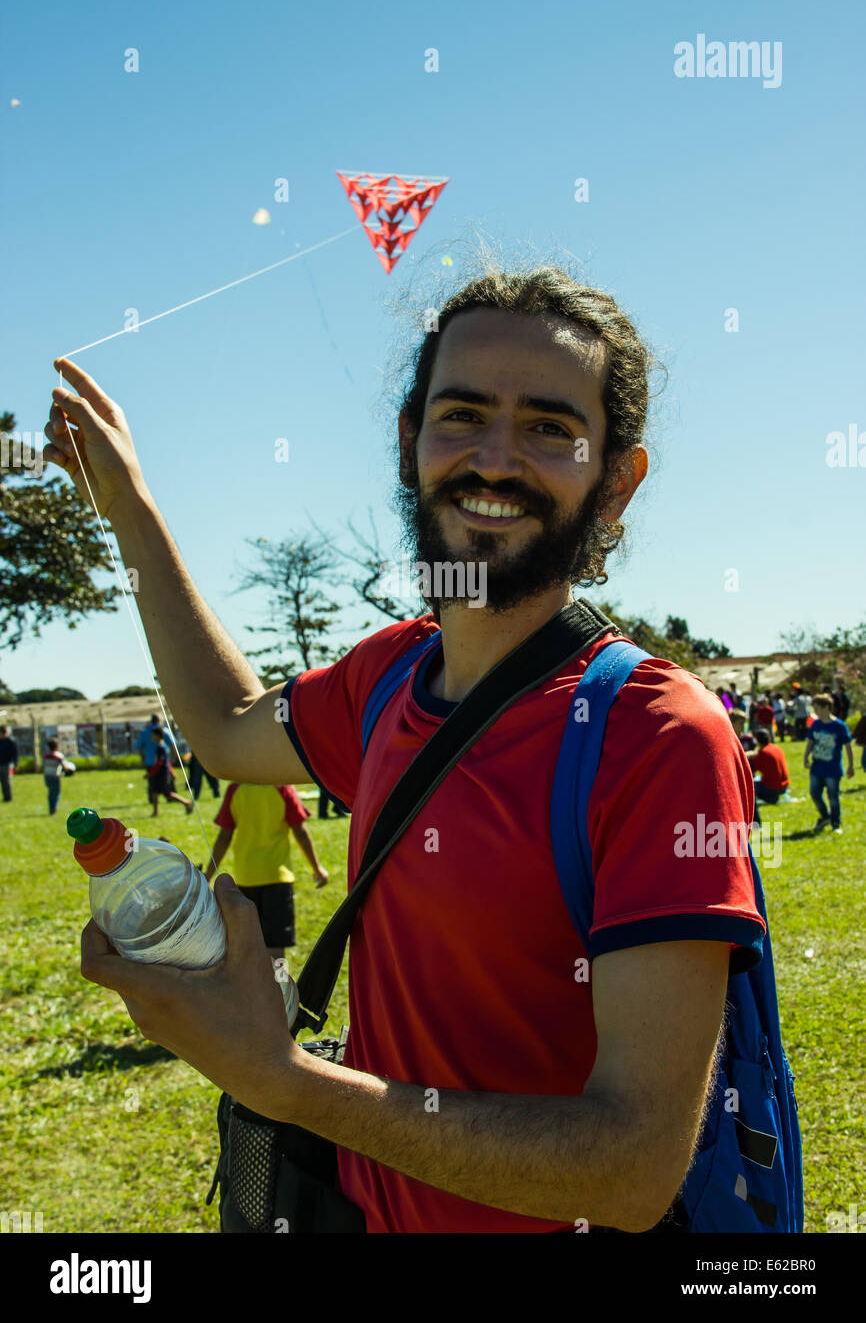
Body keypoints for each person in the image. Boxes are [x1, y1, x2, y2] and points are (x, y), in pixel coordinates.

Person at [47, 267, 767, 1235]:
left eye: (550, 428)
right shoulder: (388, 677)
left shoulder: (653, 730)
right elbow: (224, 727)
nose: (496, 458)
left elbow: (630, 1170)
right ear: (408, 441)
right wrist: (132, 511)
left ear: (615, 481)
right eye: (461, 413)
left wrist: (287, 1081)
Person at [204, 783, 328, 971]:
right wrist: (317, 868)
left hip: (246, 877)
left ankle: (253, 987)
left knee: (248, 941)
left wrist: (208, 874)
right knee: (276, 944)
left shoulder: (235, 789)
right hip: (277, 878)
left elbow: (224, 836)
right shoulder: (282, 787)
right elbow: (300, 832)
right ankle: (280, 987)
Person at [804, 693, 854, 834]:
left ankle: (835, 823)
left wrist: (850, 765)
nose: (815, 712)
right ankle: (825, 816)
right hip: (817, 767)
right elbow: (811, 741)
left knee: (833, 797)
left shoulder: (839, 726)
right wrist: (806, 756)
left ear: (826, 707)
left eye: (817, 709)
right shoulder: (816, 724)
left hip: (832, 768)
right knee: (814, 793)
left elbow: (848, 746)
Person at [147, 727, 194, 817]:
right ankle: (155, 812)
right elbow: (166, 762)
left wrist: (151, 773)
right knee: (155, 792)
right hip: (161, 773)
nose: (151, 737)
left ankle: (187, 803)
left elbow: (160, 763)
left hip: (161, 774)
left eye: (152, 735)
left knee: (167, 794)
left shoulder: (161, 747)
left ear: (157, 736)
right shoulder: (162, 746)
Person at [744, 729, 790, 805]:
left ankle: (770, 798)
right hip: (784, 785)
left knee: (749, 785)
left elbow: (753, 770)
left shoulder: (763, 753)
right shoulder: (776, 748)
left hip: (772, 787)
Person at [42, 736, 76, 815]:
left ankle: (50, 807)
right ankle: (53, 809)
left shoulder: (46, 756)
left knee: (50, 792)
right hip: (54, 776)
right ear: (57, 746)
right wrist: (69, 771)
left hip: (47, 776)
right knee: (56, 793)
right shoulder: (58, 756)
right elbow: (64, 766)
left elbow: (42, 767)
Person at [0, 725, 18, 803]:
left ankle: (8, 798)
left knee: (6, 782)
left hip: (7, 764)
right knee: (3, 781)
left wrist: (15, 764)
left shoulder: (10, 741)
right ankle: (5, 797)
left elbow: (15, 753)